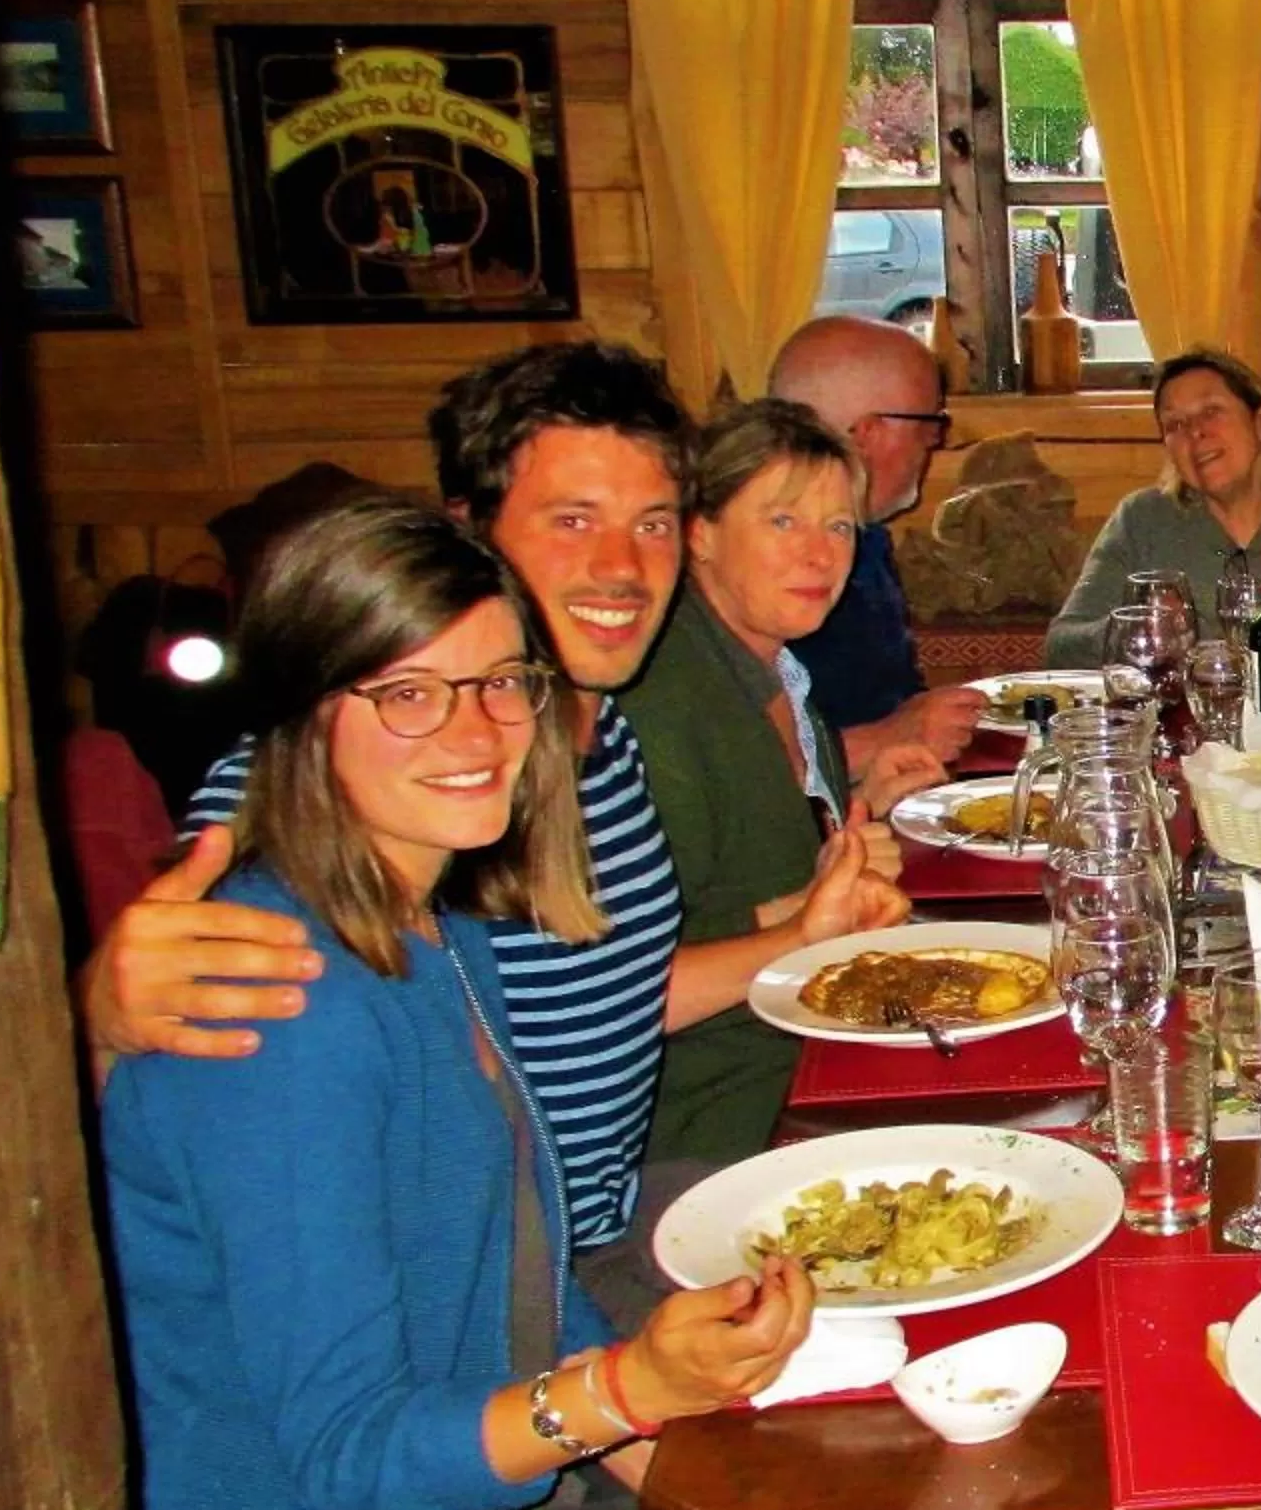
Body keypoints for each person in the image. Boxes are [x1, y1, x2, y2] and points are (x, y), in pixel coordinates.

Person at [82, 342, 906, 1327]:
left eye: (647, 523)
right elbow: (182, 1027)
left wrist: (796, 941)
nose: (619, 567)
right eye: (571, 521)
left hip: (604, 1232)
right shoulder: (392, 766)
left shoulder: (598, 744)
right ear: (473, 537)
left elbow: (605, 999)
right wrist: (100, 1009)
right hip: (480, 1319)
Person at [102, 498, 815, 1510]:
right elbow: (352, 1461)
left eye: (499, 682)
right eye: (407, 694)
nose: (476, 734)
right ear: (299, 717)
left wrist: (694, 1481)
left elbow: (514, 1282)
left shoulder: (443, 928)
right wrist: (628, 1392)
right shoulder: (279, 1004)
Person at [619, 398, 946, 1163]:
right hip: (722, 1109)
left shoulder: (777, 672)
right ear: (698, 533)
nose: (820, 556)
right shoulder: (660, 703)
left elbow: (775, 859)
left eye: (838, 528)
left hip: (812, 1042)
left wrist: (869, 808)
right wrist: (802, 911)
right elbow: (621, 979)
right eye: (782, 522)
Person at [1044, 346, 1261, 666]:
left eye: (1211, 411)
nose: (1195, 432)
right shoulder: (1141, 520)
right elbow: (1061, 646)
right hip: (1184, 726)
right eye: (1175, 424)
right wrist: (1135, 630)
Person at [771, 315, 986, 772]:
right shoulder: (751, 571)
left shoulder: (868, 542)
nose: (935, 442)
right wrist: (886, 739)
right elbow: (745, 772)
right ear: (869, 432)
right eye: (931, 424)